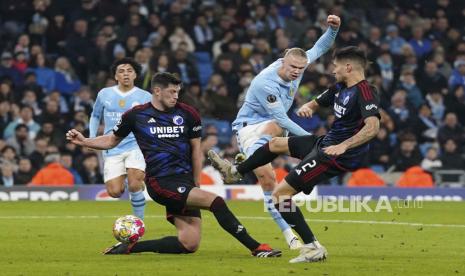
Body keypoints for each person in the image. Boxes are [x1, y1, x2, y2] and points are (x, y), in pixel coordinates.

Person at [66, 72, 280, 257]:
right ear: (157, 91)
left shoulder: (188, 113)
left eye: (178, 92)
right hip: (161, 182)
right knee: (217, 202)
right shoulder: (136, 115)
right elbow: (111, 140)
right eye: (171, 92)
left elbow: (196, 150)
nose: (176, 96)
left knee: (189, 244)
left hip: (185, 181)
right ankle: (257, 247)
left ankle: (130, 248)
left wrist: (196, 183)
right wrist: (85, 141)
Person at [209, 46, 381, 263]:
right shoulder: (340, 87)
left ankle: (312, 247)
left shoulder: (366, 92)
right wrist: (309, 106)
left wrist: (344, 146)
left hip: (336, 154)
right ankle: (236, 171)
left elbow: (373, 127)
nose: (332, 70)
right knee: (275, 144)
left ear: (348, 67)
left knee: (280, 196)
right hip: (325, 143)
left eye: (335, 66)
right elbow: (318, 101)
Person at [228, 15, 340, 250]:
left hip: (273, 131)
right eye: (293, 68)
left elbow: (320, 46)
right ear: (283, 62)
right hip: (250, 128)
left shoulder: (300, 63)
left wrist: (333, 29)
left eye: (301, 68)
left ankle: (247, 164)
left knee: (277, 186)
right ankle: (289, 234)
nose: (297, 72)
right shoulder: (264, 83)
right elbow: (280, 118)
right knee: (269, 171)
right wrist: (312, 141)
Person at [89, 58, 152, 220]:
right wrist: (91, 137)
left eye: (129, 71)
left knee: (134, 185)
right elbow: (95, 115)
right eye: (121, 71)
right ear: (115, 76)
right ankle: (134, 181)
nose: (125, 74)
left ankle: (139, 223)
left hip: (136, 145)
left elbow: (154, 120)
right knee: (114, 192)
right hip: (112, 147)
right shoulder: (104, 94)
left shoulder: (145, 96)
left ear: (136, 75)